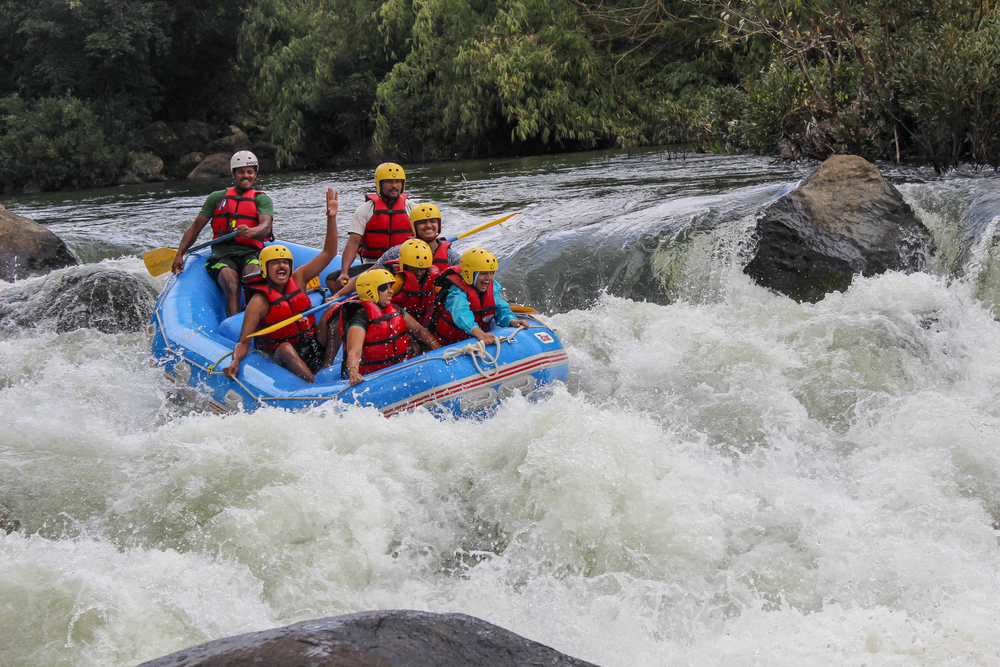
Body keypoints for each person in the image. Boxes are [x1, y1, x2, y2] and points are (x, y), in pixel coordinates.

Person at [222, 189, 339, 383]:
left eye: (285, 262)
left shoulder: (299, 278)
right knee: (285, 347)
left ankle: (327, 368)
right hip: (283, 357)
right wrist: (235, 362)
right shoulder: (259, 301)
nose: (282, 266)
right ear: (265, 268)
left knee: (335, 308)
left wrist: (331, 218)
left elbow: (329, 252)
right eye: (275, 263)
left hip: (312, 344)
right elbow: (243, 342)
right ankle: (313, 386)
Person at [171, 151, 275, 317]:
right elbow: (195, 228)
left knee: (253, 276)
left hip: (251, 252)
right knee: (231, 284)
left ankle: (257, 324)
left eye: (250, 172)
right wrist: (180, 254)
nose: (246, 175)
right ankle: (235, 329)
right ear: (233, 174)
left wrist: (251, 232)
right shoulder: (216, 198)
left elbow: (266, 226)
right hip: (222, 255)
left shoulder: (261, 199)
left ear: (255, 174)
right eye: (241, 172)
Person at [328, 202, 461, 297]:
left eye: (433, 221)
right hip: (405, 310)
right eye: (422, 222)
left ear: (439, 225)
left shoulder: (451, 257)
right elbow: (369, 275)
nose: (428, 226)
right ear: (414, 226)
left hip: (435, 310)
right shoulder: (396, 252)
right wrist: (337, 296)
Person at [334, 269, 441, 386]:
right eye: (385, 287)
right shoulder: (360, 318)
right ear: (370, 290)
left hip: (401, 368)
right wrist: (353, 372)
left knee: (415, 347)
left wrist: (436, 346)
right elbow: (354, 351)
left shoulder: (396, 310)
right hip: (374, 377)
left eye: (390, 287)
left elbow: (419, 331)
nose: (390, 291)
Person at [427, 248, 529, 346]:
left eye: (491, 272)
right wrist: (478, 332)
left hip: (479, 337)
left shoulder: (492, 287)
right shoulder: (456, 292)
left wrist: (512, 321)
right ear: (469, 273)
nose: (488, 277)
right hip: (451, 344)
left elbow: (501, 309)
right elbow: (461, 314)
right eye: (483, 273)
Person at [335, 162, 415, 286]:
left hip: (403, 265)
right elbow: (353, 243)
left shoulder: (413, 209)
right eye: (389, 182)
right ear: (379, 184)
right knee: (331, 279)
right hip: (371, 265)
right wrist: (344, 272)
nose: (394, 186)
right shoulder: (365, 210)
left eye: (398, 181)